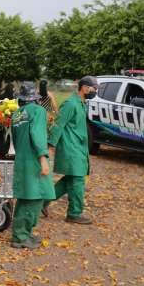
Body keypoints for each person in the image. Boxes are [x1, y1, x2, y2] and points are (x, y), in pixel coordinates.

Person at [42, 76, 98, 224]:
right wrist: (51, 146)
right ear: (85, 87)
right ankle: (74, 213)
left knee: (70, 180)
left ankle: (42, 203)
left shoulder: (81, 103)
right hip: (71, 148)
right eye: (94, 88)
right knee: (78, 179)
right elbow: (58, 124)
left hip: (79, 148)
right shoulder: (70, 104)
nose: (95, 91)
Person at [10, 82, 55, 249]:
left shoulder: (16, 114)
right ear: (34, 97)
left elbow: (14, 139)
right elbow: (38, 135)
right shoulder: (38, 111)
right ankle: (21, 237)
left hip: (22, 159)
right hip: (34, 160)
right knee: (35, 199)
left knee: (25, 198)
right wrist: (43, 158)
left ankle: (23, 234)